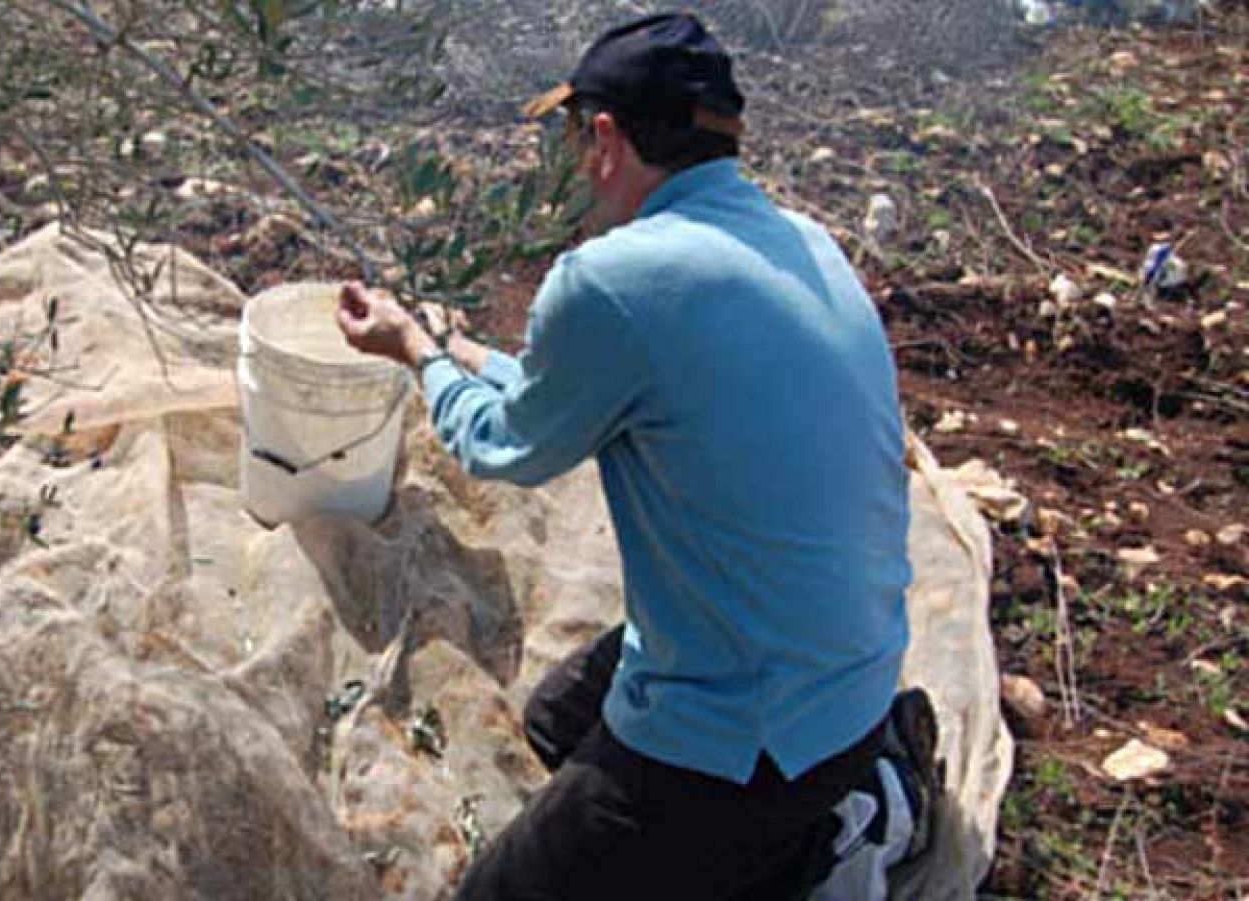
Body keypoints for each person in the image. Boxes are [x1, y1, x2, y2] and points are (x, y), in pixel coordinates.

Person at [336, 12, 932, 900]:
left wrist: (415, 355)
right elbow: (579, 387)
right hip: (850, 672)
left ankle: (837, 834)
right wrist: (458, 348)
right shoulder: (805, 240)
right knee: (551, 722)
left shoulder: (612, 278)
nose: (578, 165)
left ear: (606, 137)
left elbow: (506, 446)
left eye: (577, 138)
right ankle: (841, 784)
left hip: (751, 733)